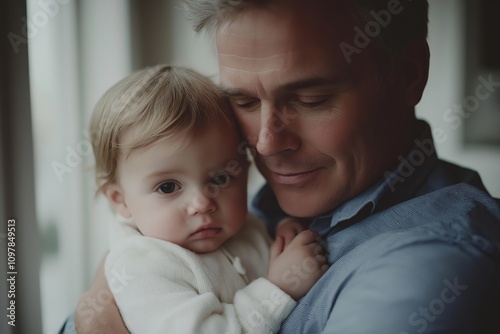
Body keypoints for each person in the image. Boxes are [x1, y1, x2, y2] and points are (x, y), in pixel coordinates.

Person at [61, 0, 500, 333]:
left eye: (311, 100)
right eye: (244, 101)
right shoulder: (258, 208)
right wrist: (97, 302)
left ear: (408, 74)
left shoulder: (429, 267)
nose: (267, 144)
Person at [77, 65, 328, 333]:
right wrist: (279, 289)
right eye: (168, 187)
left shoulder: (242, 228)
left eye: (220, 179)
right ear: (120, 201)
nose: (202, 203)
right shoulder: (141, 266)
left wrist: (279, 238)